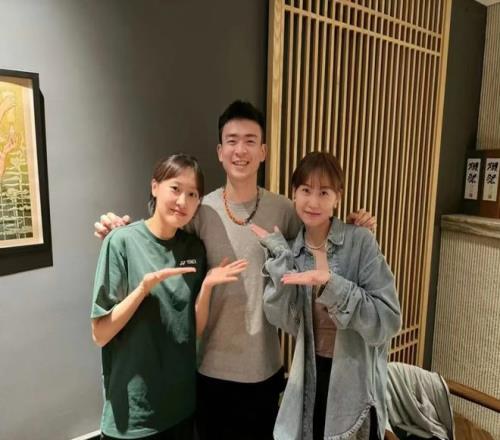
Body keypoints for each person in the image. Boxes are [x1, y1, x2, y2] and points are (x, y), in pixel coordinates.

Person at [94, 101, 376, 440]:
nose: (240, 150)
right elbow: (161, 233)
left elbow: (320, 238)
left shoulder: (285, 210)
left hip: (265, 369)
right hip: (208, 369)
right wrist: (120, 230)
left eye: (250, 141)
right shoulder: (201, 209)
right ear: (220, 151)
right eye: (231, 140)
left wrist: (354, 227)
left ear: (263, 151)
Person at [91, 154, 247, 440]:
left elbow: (193, 331)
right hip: (133, 414)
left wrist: (207, 287)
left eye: (193, 194)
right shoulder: (121, 241)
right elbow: (100, 334)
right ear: (155, 187)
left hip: (180, 406)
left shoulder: (194, 249)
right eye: (175, 188)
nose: (183, 201)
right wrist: (143, 289)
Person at [250, 151, 401, 440]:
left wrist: (331, 285)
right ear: (294, 194)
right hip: (311, 378)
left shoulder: (359, 241)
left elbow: (388, 321)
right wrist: (280, 262)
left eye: (324, 192)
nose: (313, 201)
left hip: (356, 382)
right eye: (306, 190)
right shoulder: (295, 252)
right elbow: (284, 321)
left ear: (337, 198)